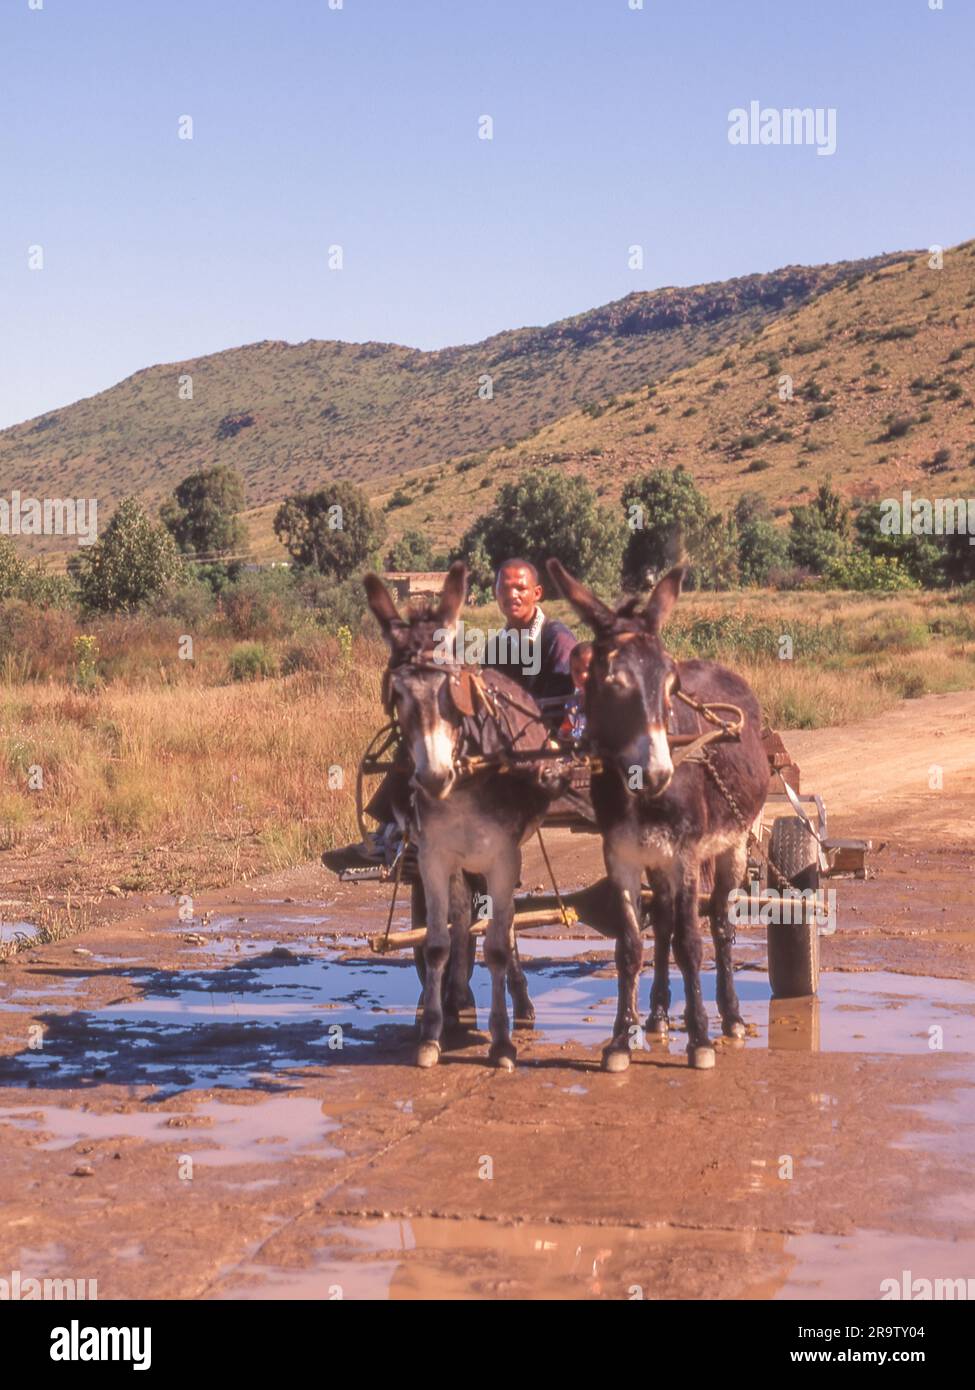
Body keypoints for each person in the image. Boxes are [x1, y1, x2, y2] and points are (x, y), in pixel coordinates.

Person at [323, 557, 579, 872]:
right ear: (495, 593)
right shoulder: (499, 642)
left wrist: (515, 716)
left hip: (536, 738)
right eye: (504, 587)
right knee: (423, 735)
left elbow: (563, 700)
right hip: (499, 731)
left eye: (520, 588)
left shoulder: (557, 638)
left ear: (536, 593)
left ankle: (423, 841)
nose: (512, 594)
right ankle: (392, 835)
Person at [558, 641, 593, 745]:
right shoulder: (573, 701)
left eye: (588, 670)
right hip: (576, 754)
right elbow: (566, 728)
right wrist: (565, 732)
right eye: (577, 671)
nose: (582, 676)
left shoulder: (604, 701)